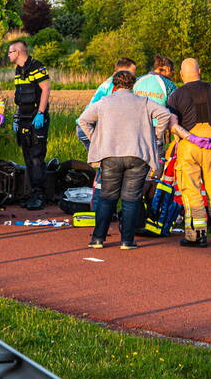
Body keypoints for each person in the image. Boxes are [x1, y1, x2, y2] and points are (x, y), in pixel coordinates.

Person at [78, 70, 197, 250]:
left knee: (107, 197)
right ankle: (127, 240)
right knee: (131, 198)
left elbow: (83, 120)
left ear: (114, 86)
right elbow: (164, 115)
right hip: (137, 156)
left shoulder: (104, 102)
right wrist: (155, 136)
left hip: (110, 156)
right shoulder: (143, 102)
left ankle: (97, 238)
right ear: (133, 85)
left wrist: (95, 138)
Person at [167, 58, 211, 247]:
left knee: (191, 191)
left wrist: (190, 137)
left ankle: (197, 235)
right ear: (200, 70)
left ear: (181, 75)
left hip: (189, 145)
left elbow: (173, 125)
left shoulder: (176, 95)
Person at [8, 40, 51, 210]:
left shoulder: (36, 66)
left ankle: (40, 194)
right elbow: (20, 96)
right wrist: (17, 117)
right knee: (27, 156)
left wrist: (40, 113)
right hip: (24, 118)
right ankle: (33, 191)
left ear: (18, 52)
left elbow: (46, 89)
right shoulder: (19, 70)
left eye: (10, 52)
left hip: (36, 118)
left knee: (36, 157)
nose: (9, 55)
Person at [76, 57, 136, 149]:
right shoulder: (115, 85)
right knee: (100, 158)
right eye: (132, 72)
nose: (134, 75)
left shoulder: (110, 81)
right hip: (89, 126)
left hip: (87, 125)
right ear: (123, 71)